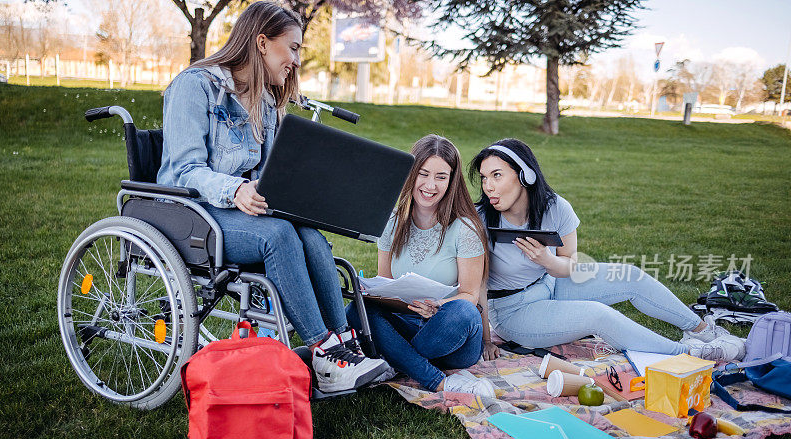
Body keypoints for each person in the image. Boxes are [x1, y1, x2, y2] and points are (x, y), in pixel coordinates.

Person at [156, 2, 390, 392]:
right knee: (278, 236)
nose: (296, 60)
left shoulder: (264, 101)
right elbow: (185, 171)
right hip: (190, 213)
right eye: (293, 48)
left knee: (310, 235)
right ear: (262, 43)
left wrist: (306, 191)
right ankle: (323, 352)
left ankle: (344, 344)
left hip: (237, 212)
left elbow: (268, 175)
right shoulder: (194, 86)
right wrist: (236, 189)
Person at [470, 138, 745, 362]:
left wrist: (546, 260)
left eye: (497, 175)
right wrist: (485, 340)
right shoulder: (479, 220)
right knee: (597, 315)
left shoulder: (556, 207)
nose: (488, 186)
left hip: (550, 283)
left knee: (630, 276)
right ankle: (691, 354)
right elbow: (477, 286)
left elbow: (570, 265)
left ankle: (704, 331)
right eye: (484, 178)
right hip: (512, 311)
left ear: (525, 176)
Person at [346, 135, 496, 396]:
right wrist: (371, 292)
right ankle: (436, 380)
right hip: (406, 321)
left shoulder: (465, 228)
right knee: (356, 309)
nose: (430, 185)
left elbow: (470, 295)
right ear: (411, 174)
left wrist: (438, 305)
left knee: (463, 311)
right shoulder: (392, 220)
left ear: (451, 181)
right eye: (423, 174)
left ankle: (393, 358)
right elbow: (386, 283)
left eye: (441, 176)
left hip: (449, 334)